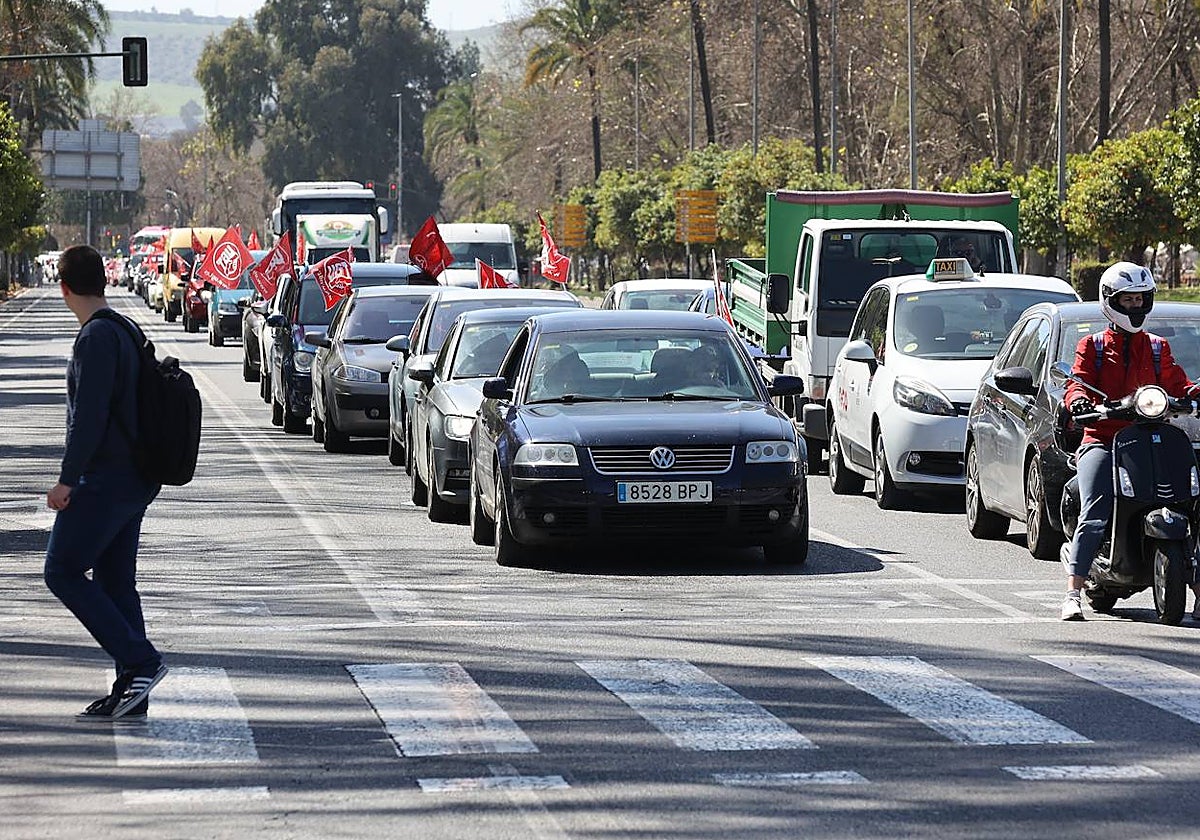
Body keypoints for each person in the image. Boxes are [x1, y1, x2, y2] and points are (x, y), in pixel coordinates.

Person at [44, 245, 168, 720]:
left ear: (65, 288)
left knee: (62, 571)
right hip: (135, 476)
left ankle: (141, 660)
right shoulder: (123, 327)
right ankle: (132, 690)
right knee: (116, 582)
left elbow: (89, 419)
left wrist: (66, 480)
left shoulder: (96, 337)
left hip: (108, 478)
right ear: (104, 280)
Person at [1062, 261, 1200, 621]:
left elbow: (1178, 384)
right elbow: (1078, 381)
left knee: (1192, 499)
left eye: (1141, 300)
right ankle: (1073, 592)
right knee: (1094, 509)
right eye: (1129, 300)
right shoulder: (1090, 345)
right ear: (1111, 302)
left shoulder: (1157, 348)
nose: (1136, 307)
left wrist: (1193, 395)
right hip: (1104, 439)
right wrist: (1079, 401)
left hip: (1153, 437)